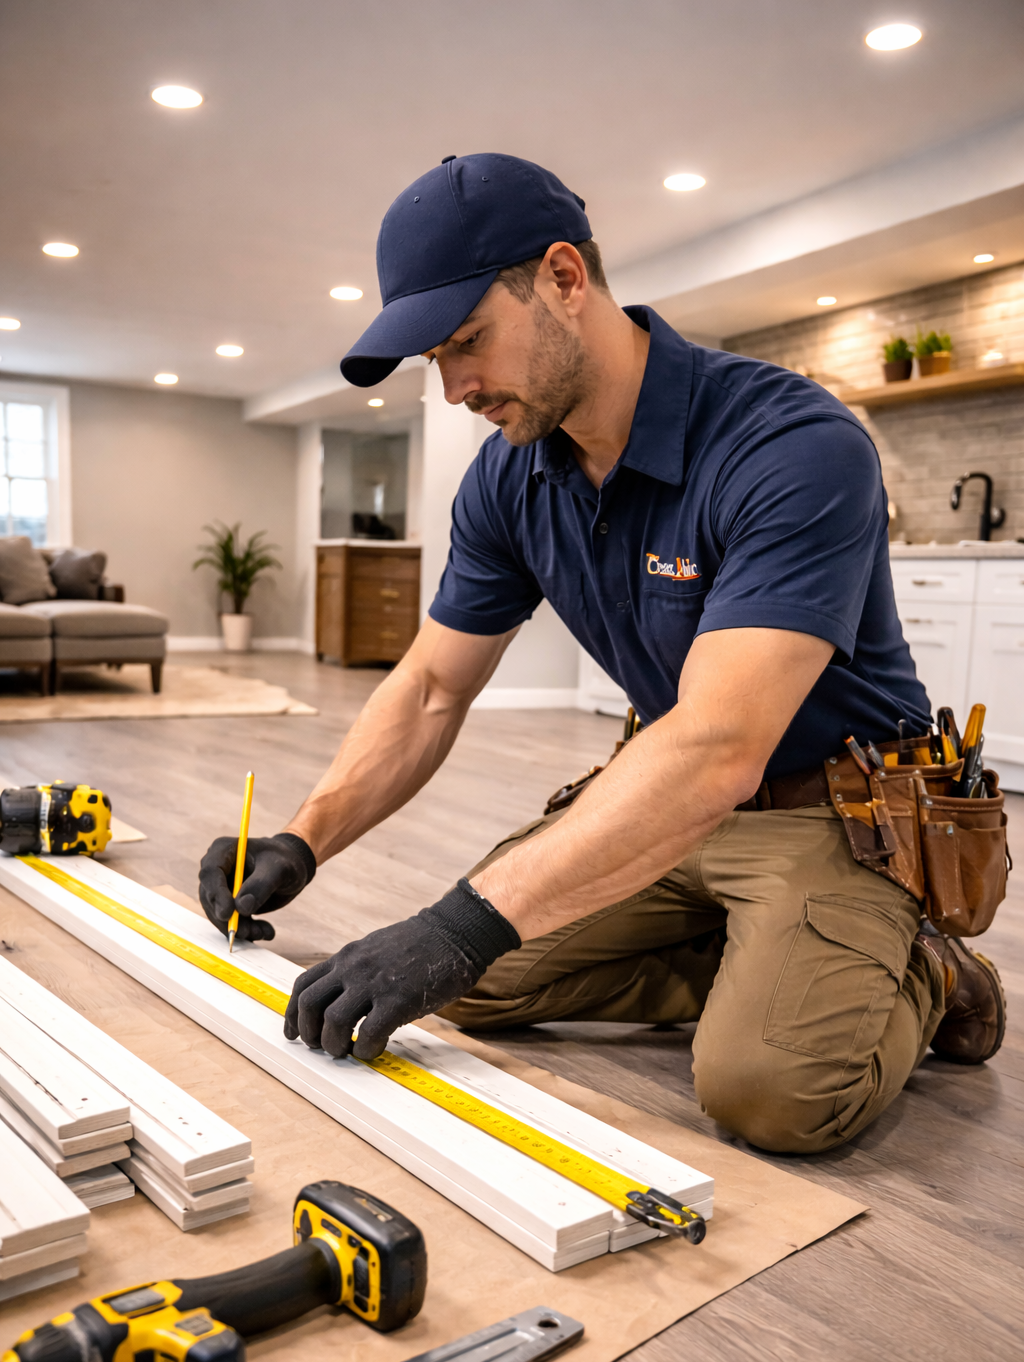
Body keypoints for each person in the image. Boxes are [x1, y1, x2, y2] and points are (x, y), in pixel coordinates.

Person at [199, 153, 1005, 1155]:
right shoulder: (510, 479)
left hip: (830, 814)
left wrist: (459, 922)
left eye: (465, 344)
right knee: (474, 985)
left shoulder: (789, 442)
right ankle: (757, 962)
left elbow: (719, 745)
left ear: (563, 280)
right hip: (662, 797)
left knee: (769, 1092)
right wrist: (301, 839)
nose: (452, 389)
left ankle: (917, 967)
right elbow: (430, 689)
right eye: (433, 363)